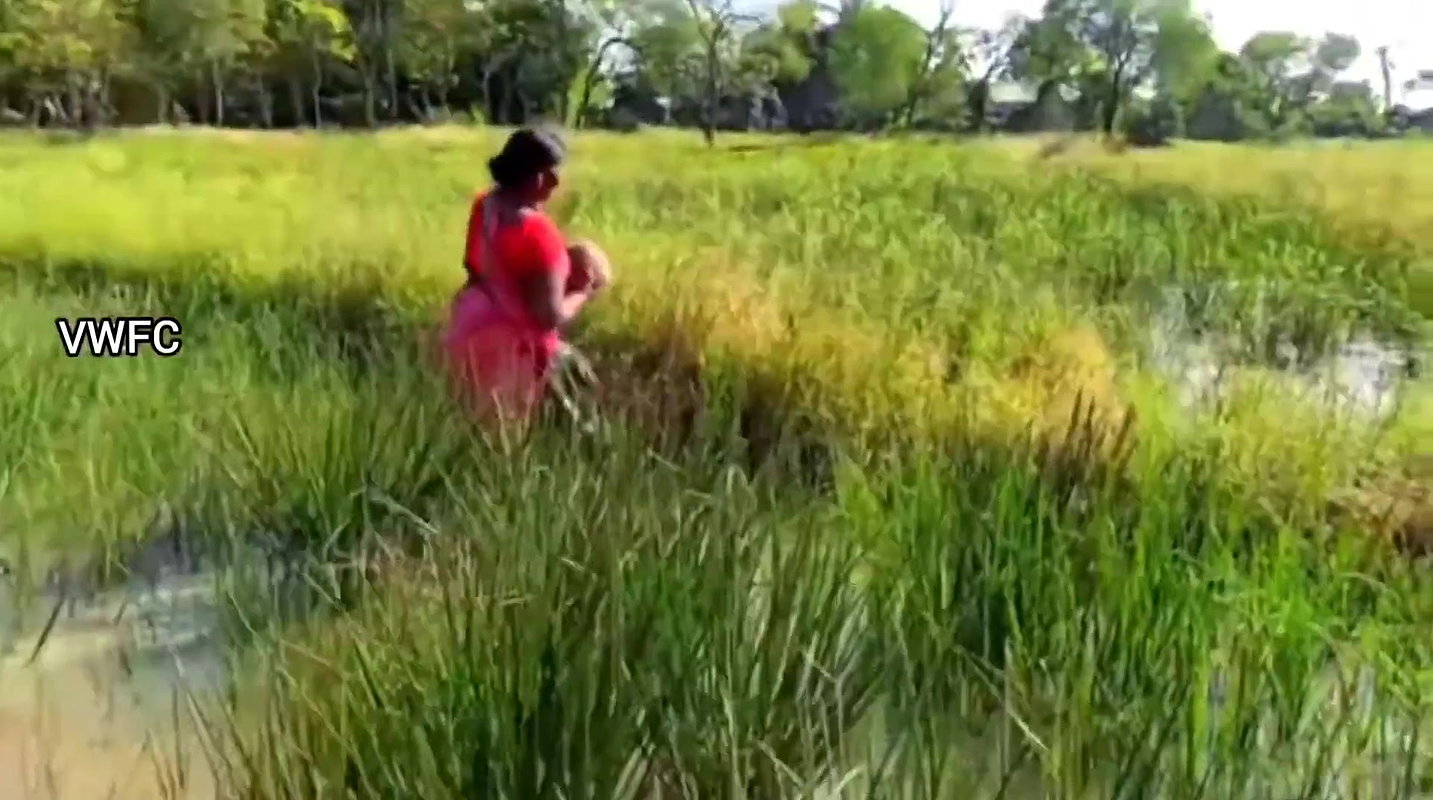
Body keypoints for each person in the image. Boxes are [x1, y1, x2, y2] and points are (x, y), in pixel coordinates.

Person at [442, 127, 610, 428]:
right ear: (529, 175)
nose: (556, 181)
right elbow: (548, 317)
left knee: (482, 432)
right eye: (548, 172)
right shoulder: (538, 234)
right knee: (579, 417)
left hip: (471, 336)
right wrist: (585, 290)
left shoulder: (486, 206)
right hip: (520, 354)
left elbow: (475, 270)